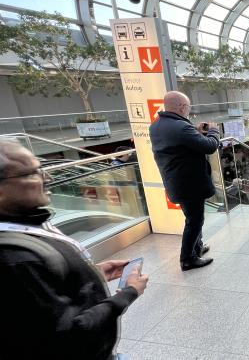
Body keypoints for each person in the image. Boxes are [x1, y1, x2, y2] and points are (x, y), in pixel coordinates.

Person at [0, 140, 149, 359]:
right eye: (32, 173)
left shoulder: (27, 228)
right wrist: (128, 293)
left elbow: (44, 297)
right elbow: (68, 336)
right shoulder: (15, 259)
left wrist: (92, 273)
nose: (47, 178)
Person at [150, 91, 219, 271]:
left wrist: (194, 132)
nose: (188, 110)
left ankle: (197, 247)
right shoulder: (180, 127)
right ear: (182, 107)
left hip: (175, 180)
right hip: (189, 183)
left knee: (192, 217)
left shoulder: (157, 125)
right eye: (188, 107)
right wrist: (213, 131)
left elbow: (178, 146)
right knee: (195, 220)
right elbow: (210, 146)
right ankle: (187, 258)